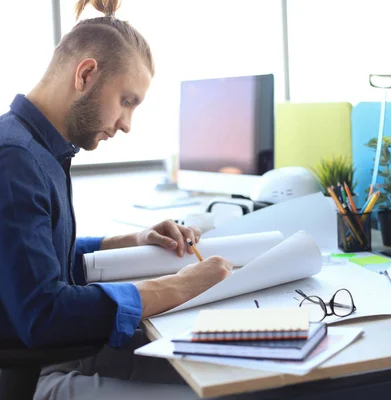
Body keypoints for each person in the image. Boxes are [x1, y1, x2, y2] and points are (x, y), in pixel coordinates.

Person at [0, 0, 233, 398]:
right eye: (126, 101)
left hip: (57, 353)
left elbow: (38, 261)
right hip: (39, 371)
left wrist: (133, 240)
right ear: (86, 74)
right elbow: (43, 312)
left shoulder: (39, 150)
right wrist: (180, 285)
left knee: (223, 373)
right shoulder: (16, 159)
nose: (126, 124)